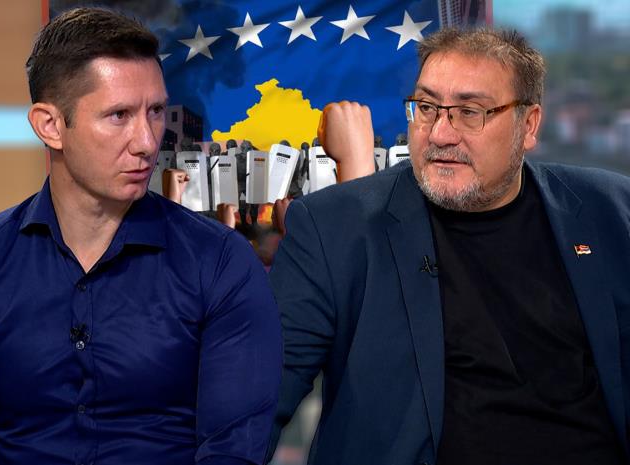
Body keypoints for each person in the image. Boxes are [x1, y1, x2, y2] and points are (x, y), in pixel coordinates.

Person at [268, 28, 630, 465]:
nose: (440, 134)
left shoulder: (610, 210)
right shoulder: (334, 227)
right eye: (426, 108)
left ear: (529, 125)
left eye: (469, 112)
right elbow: (256, 397)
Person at [0, 7, 281, 465]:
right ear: (50, 126)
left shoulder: (221, 262)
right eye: (119, 115)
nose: (147, 141)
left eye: (155, 111)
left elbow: (233, 452)